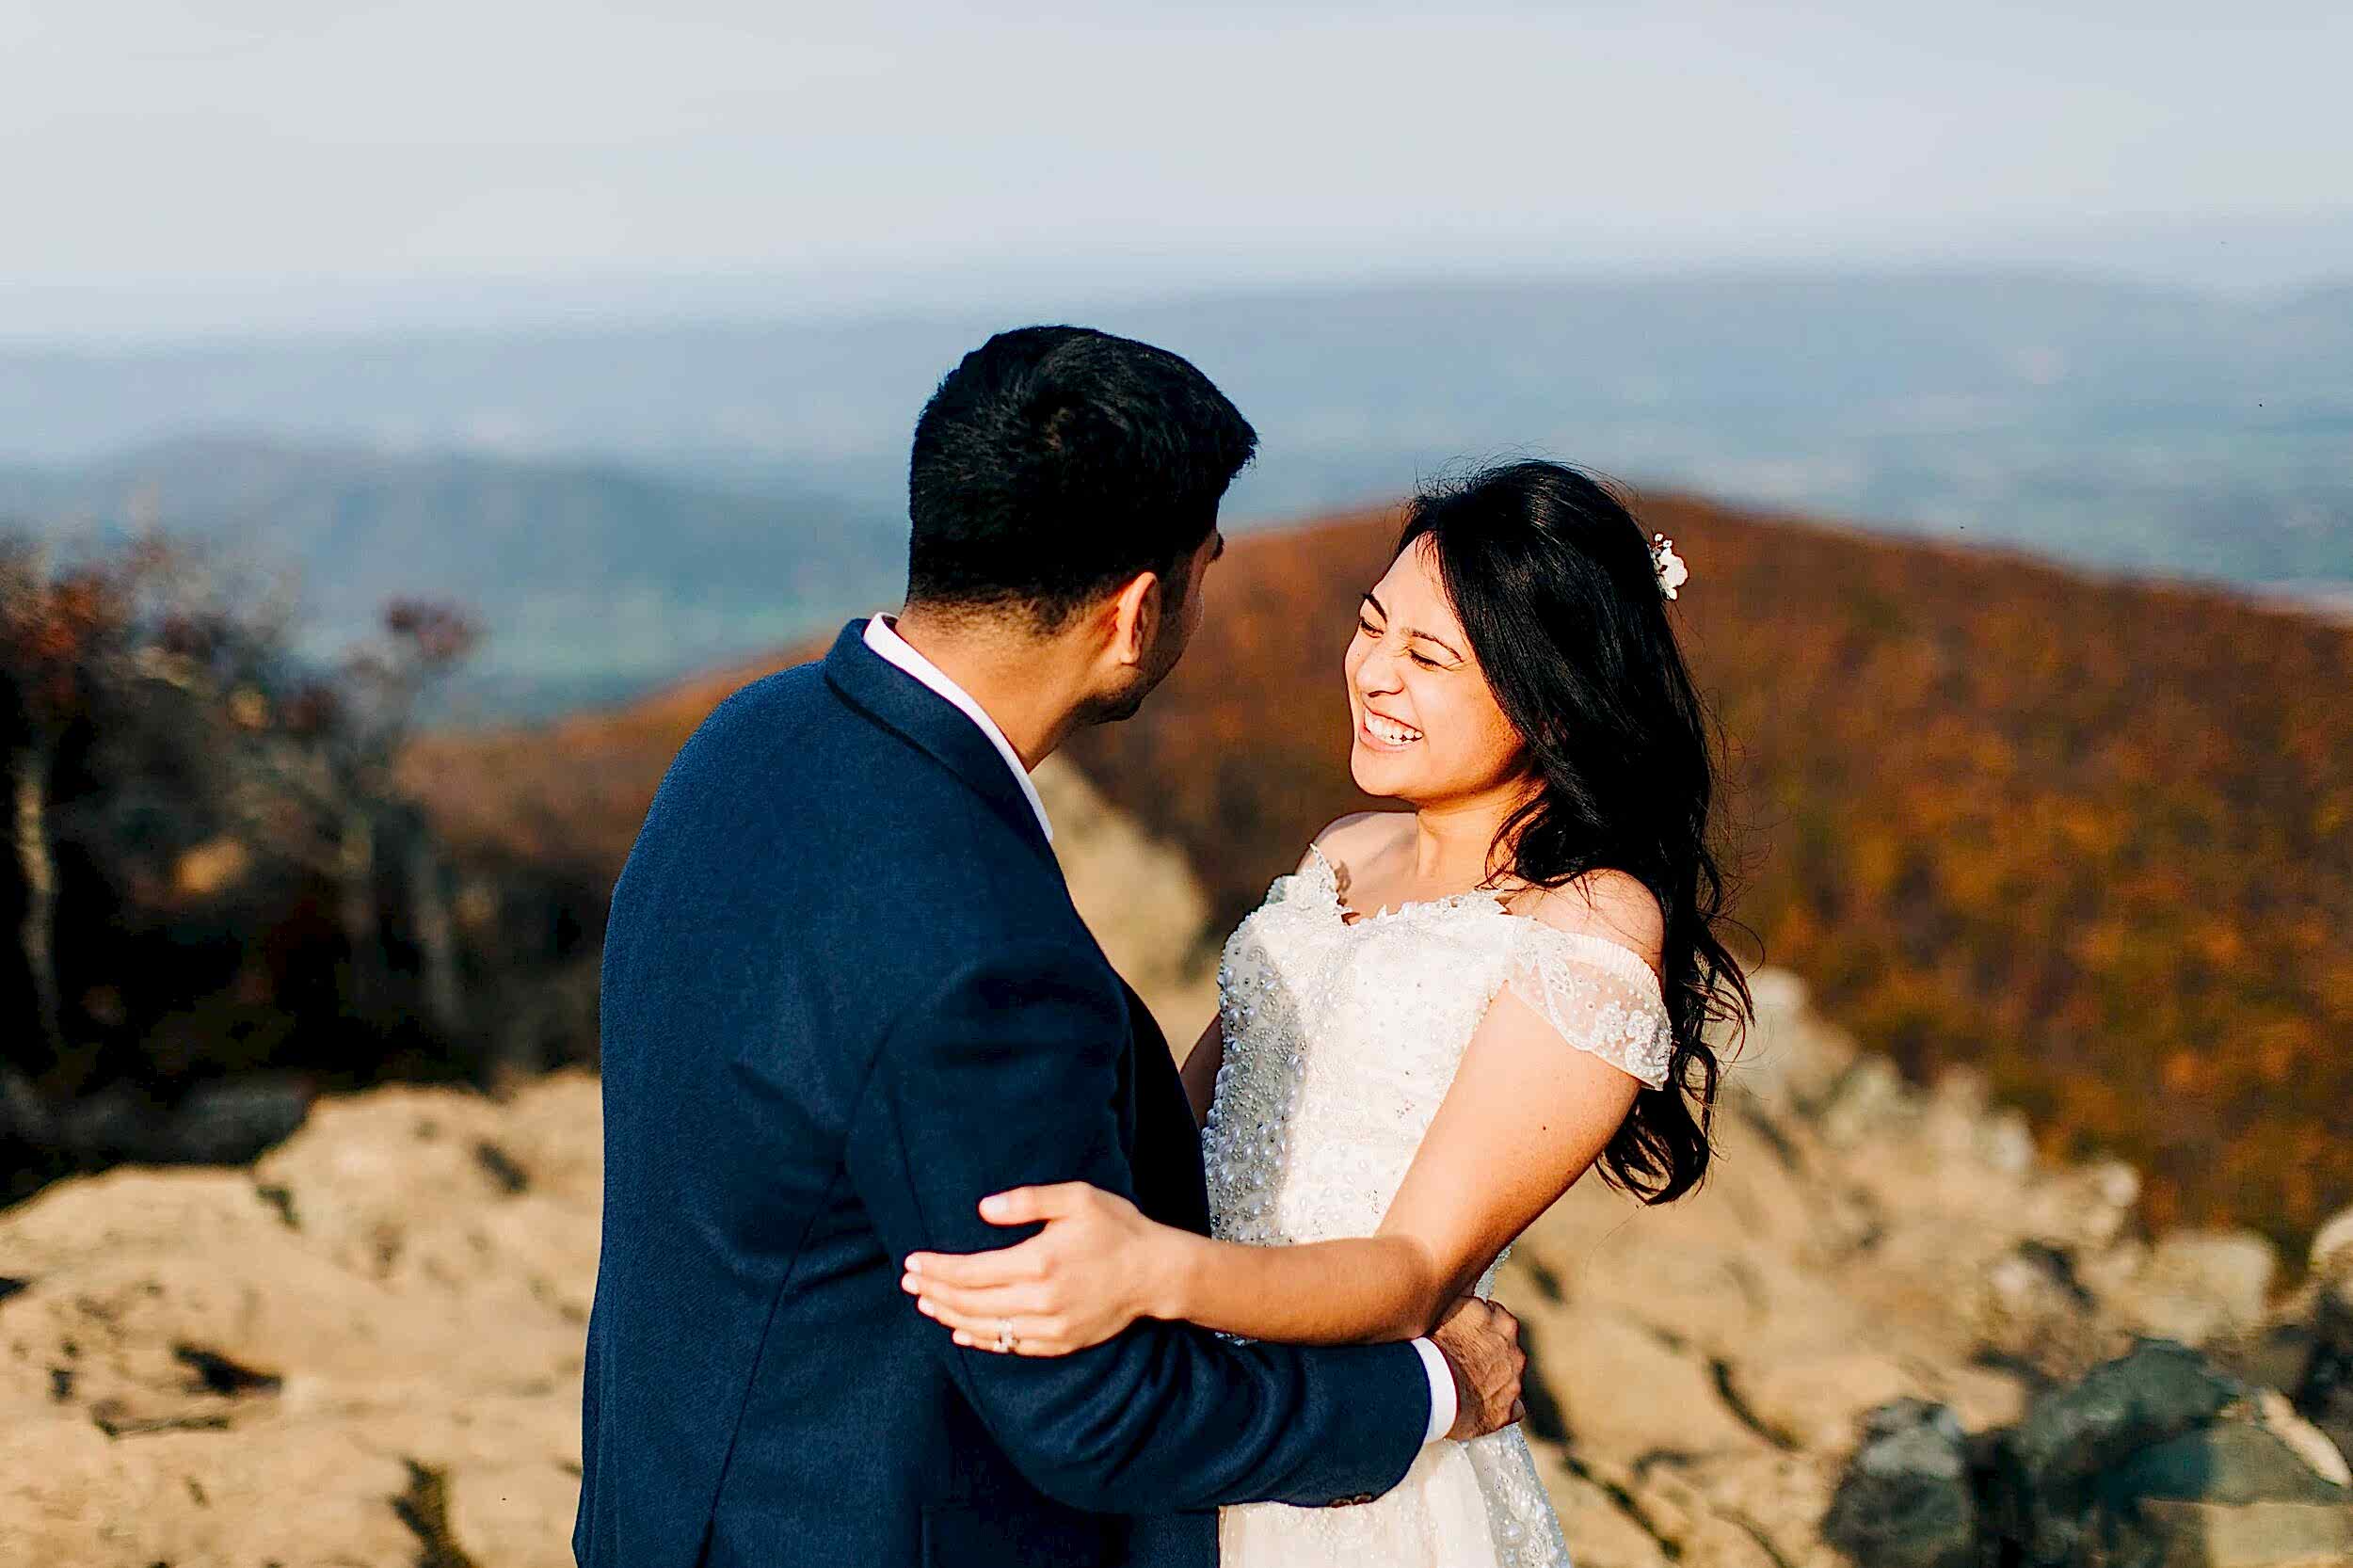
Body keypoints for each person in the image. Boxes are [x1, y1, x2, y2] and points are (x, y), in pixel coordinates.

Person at [573, 326, 1528, 1568]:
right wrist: (1432, 1388)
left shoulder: (752, 735)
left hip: (669, 1505)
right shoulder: (976, 958)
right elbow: (1092, 1413)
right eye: (1204, 565)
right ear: (1138, 611)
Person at [900, 460, 1749, 1567]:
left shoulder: (1587, 926)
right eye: (1370, 627)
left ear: (1550, 698)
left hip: (1359, 1468)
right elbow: (1178, 1122)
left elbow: (1412, 1274)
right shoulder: (1344, 850)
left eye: (1428, 657)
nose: (1373, 675)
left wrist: (1152, 1267)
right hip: (1187, 1409)